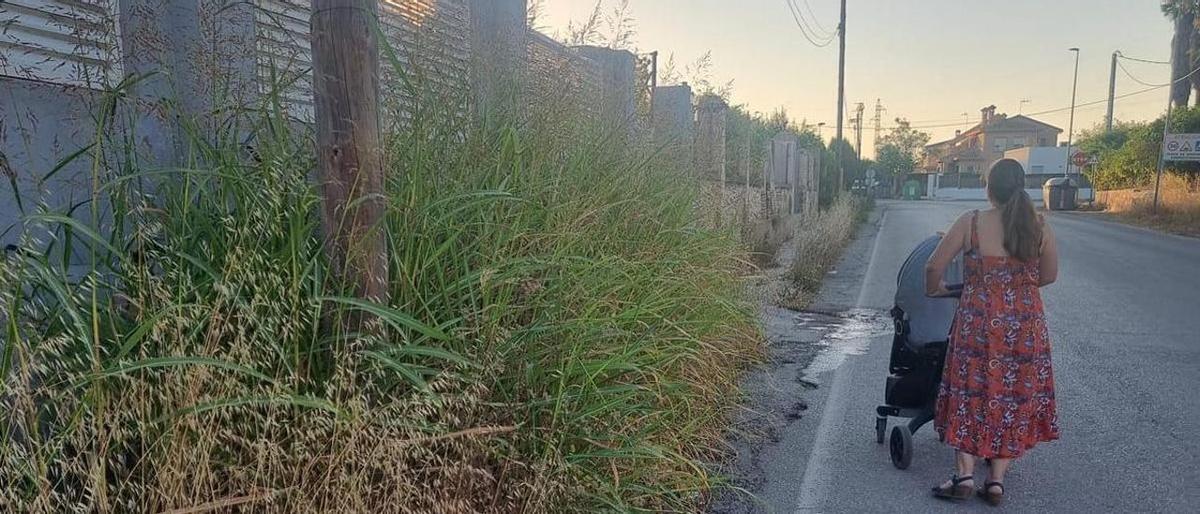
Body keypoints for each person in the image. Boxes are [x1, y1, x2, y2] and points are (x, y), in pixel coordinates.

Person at [923, 159, 1060, 506]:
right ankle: (996, 482)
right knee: (1012, 397)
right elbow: (1048, 276)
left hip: (979, 325)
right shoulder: (1038, 226)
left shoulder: (971, 223)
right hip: (1025, 328)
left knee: (970, 392)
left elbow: (934, 265)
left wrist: (935, 290)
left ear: (988, 188)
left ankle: (965, 474)